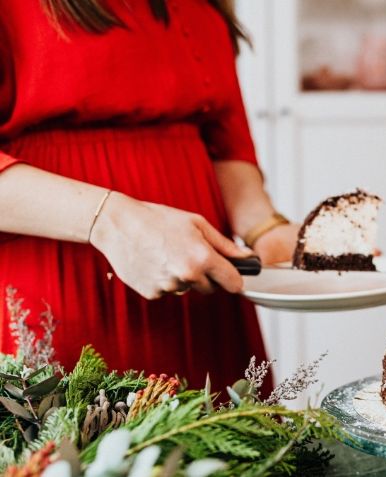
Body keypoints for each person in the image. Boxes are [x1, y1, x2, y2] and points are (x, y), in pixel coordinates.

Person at [0, 0, 297, 388]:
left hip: (205, 303)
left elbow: (224, 143)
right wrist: (111, 222)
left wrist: (266, 229)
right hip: (59, 297)